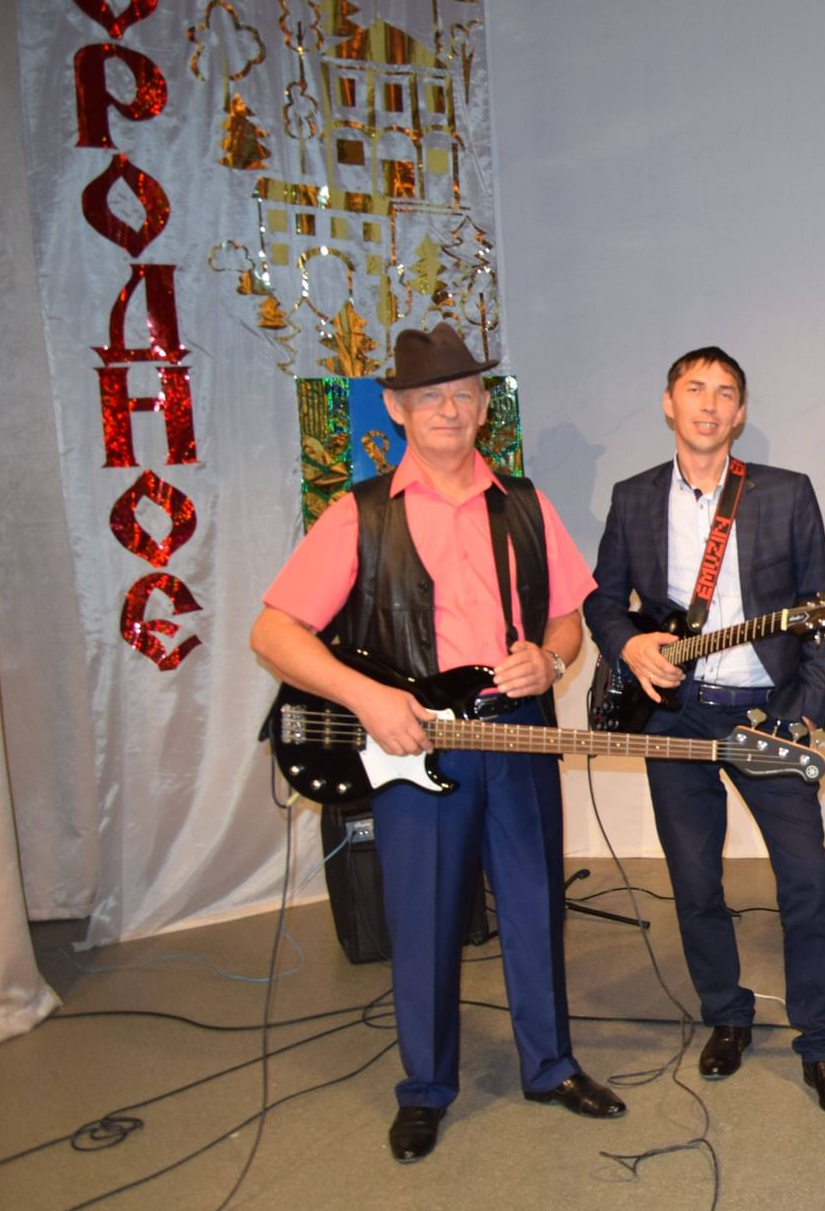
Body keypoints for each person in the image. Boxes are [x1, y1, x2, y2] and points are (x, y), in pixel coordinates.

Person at [250, 323, 626, 1164]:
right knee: (421, 917)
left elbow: (567, 617)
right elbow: (273, 632)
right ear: (396, 408)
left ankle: (551, 1066)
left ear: (485, 405)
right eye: (429, 397)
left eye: (462, 393)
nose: (449, 409)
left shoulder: (525, 504)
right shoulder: (360, 513)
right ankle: (425, 1088)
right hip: (414, 742)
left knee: (534, 903)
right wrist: (367, 697)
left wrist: (551, 658)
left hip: (517, 733)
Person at [583, 348, 825, 1116]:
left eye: (725, 392)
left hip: (768, 708)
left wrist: (808, 711)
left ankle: (821, 1043)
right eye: (694, 388)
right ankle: (726, 1014)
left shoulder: (785, 492)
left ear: (740, 413)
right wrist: (630, 645)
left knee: (805, 878)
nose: (708, 403)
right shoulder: (633, 497)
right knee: (695, 880)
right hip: (674, 712)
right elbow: (602, 600)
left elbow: (822, 613)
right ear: (668, 402)